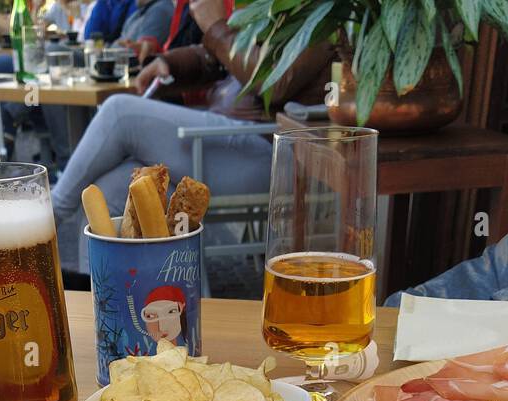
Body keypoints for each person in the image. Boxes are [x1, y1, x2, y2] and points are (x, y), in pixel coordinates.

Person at [50, 0, 333, 271]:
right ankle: (107, 300)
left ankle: (48, 216)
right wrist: (170, 63)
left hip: (271, 150)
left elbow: (274, 81)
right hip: (230, 137)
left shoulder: (324, 12)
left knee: (119, 112)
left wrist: (216, 26)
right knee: (109, 190)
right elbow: (223, 60)